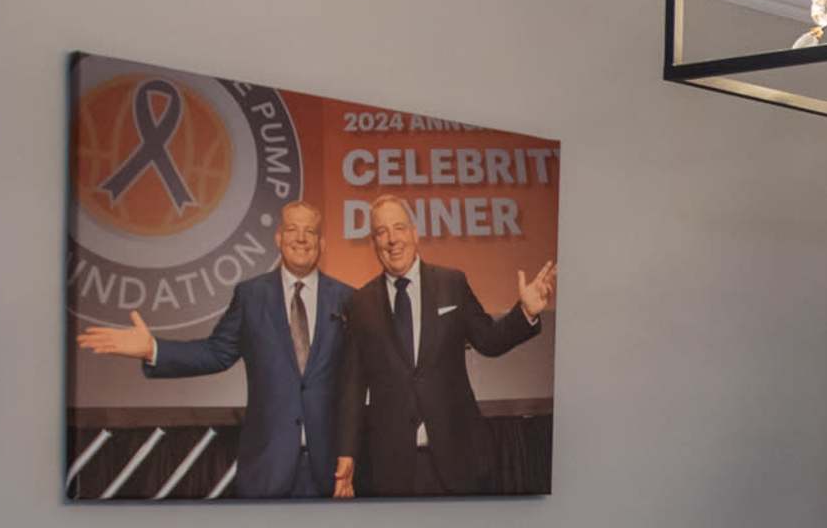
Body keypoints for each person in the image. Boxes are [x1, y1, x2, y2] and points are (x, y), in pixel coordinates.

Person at [73, 198, 352, 498]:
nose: (300, 238)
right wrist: (153, 348)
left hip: (332, 471)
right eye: (292, 229)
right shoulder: (251, 296)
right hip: (266, 467)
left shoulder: (347, 299)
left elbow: (362, 375)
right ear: (279, 238)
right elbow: (215, 353)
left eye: (309, 231)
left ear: (322, 243)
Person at [331, 194, 557, 497]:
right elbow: (352, 387)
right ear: (373, 242)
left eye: (399, 228)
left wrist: (525, 312)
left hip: (459, 457)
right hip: (392, 467)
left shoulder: (452, 282)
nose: (392, 239)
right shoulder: (359, 304)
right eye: (381, 232)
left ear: (415, 233)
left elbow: (488, 340)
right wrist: (347, 455)